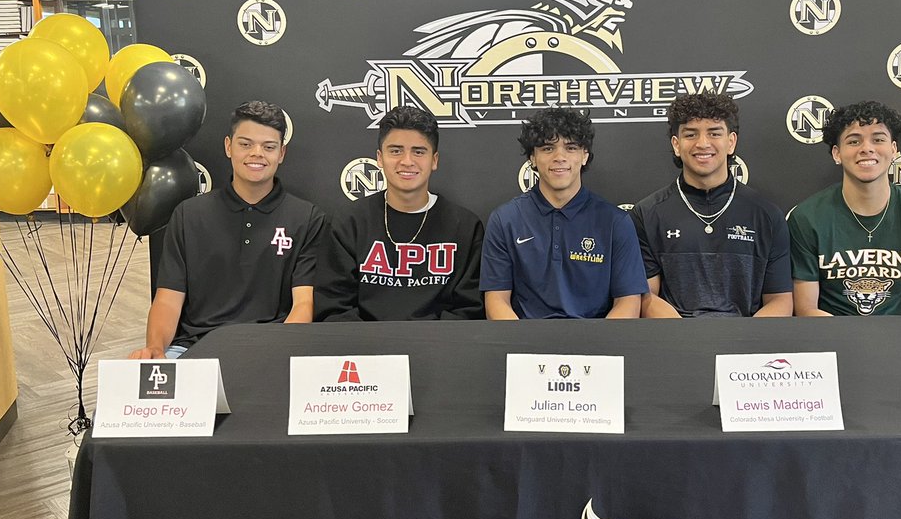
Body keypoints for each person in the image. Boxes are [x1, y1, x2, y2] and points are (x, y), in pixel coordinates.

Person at [127, 101, 327, 359]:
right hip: (195, 347)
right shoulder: (189, 215)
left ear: (281, 154)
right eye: (245, 144)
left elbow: (304, 304)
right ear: (228, 146)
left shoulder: (308, 218)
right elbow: (168, 299)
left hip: (272, 348)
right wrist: (155, 347)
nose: (257, 153)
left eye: (269, 147)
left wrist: (274, 352)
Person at [788, 100, 901, 323]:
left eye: (878, 139)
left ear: (894, 149)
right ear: (837, 153)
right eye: (854, 141)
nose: (867, 148)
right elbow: (806, 309)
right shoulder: (807, 218)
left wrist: (891, 346)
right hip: (833, 343)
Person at [631, 92, 792, 318]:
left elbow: (780, 300)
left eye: (714, 133)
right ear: (676, 145)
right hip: (676, 342)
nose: (703, 143)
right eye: (691, 134)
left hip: (744, 345)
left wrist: (743, 344)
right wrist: (688, 341)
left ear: (731, 142)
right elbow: (646, 297)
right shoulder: (646, 214)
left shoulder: (767, 215)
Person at [318, 106, 483, 321]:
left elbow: (469, 310)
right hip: (366, 350)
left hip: (439, 349)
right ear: (379, 158)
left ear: (434, 160)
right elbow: (333, 308)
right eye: (395, 150)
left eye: (418, 151)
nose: (407, 161)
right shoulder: (348, 223)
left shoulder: (465, 227)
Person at [480, 107, 646, 319]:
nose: (559, 157)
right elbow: (496, 301)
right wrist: (524, 347)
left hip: (595, 344)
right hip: (525, 345)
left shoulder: (616, 222)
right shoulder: (505, 220)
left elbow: (628, 302)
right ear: (532, 157)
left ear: (584, 155)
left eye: (570, 148)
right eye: (548, 148)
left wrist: (597, 348)